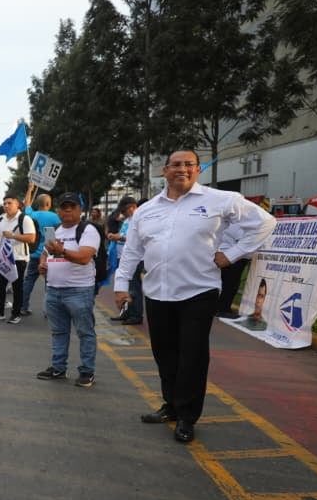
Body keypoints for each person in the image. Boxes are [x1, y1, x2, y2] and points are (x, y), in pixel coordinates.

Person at [114, 149, 276, 444]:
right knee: (165, 353)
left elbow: (265, 223)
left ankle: (187, 417)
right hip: (158, 292)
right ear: (165, 171)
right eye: (176, 165)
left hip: (198, 291)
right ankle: (171, 405)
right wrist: (121, 285)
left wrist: (233, 253)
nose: (183, 169)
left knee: (192, 356)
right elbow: (132, 251)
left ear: (198, 170)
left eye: (189, 164)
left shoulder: (221, 200)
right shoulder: (147, 210)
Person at [35, 192, 102, 388]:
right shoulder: (53, 230)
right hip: (53, 290)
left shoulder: (88, 230)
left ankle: (87, 371)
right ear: (58, 210)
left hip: (79, 290)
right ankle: (58, 368)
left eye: (72, 206)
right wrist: (42, 264)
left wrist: (62, 251)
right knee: (58, 332)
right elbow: (45, 253)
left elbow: (84, 258)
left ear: (80, 210)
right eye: (64, 207)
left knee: (85, 332)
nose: (68, 210)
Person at [0, 195, 36, 324]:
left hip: (18, 258)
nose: (6, 206)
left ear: (17, 204)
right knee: (0, 286)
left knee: (17, 287)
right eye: (4, 203)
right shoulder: (0, 219)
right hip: (2, 258)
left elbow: (31, 238)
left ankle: (16, 314)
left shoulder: (24, 219)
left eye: (9, 203)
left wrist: (13, 236)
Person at [21, 194, 60, 317]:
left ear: (37, 204)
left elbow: (27, 204)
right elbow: (52, 237)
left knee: (28, 281)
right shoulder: (54, 217)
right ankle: (48, 310)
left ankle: (23, 306)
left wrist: (30, 189)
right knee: (49, 283)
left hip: (33, 253)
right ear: (48, 204)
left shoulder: (31, 215)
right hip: (48, 254)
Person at [107, 196, 143, 325]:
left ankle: (136, 314)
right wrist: (115, 236)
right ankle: (125, 311)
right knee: (125, 288)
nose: (123, 213)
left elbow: (137, 239)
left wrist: (119, 238)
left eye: (124, 210)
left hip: (135, 259)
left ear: (132, 207)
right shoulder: (128, 219)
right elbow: (124, 234)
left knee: (133, 288)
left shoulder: (139, 219)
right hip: (123, 257)